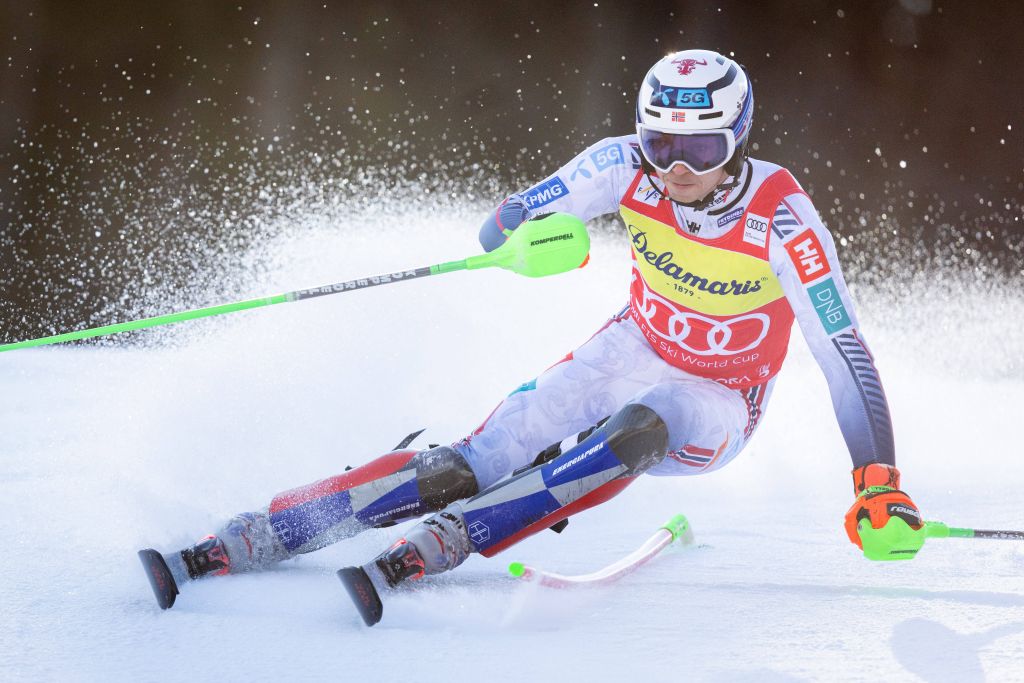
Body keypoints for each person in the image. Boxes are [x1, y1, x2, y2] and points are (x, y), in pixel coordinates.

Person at [139, 49, 924, 619]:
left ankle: (452, 540)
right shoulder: (621, 165)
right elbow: (503, 221)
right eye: (662, 145)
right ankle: (260, 532)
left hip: (721, 400)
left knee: (640, 428)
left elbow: (842, 349)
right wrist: (520, 239)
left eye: (701, 148)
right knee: (471, 459)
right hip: (632, 347)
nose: (676, 169)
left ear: (738, 140)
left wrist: (876, 479)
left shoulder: (782, 218)